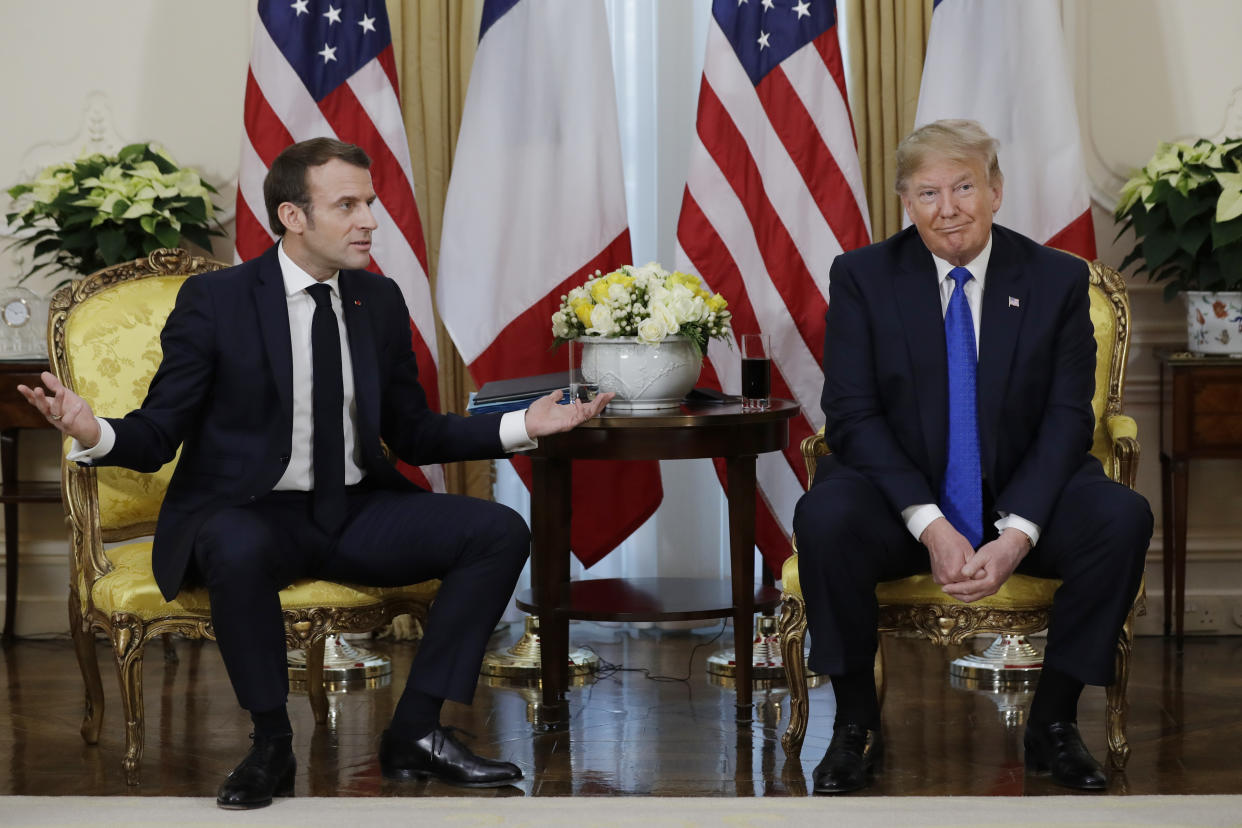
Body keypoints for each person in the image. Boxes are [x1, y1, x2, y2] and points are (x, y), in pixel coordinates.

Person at [18, 137, 612, 809]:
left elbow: (412, 432)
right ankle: (271, 744)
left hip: (354, 509)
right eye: (348, 205)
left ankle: (416, 732)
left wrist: (523, 427)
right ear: (292, 217)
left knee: (498, 530)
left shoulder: (377, 300)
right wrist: (91, 430)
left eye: (370, 203)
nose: (369, 221)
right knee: (233, 544)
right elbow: (159, 434)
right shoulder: (217, 303)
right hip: (251, 512)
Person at [792, 120, 1151, 794]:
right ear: (905, 201)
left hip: (1023, 489)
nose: (948, 208)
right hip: (901, 501)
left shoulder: (1055, 278)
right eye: (927, 193)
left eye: (963, 187)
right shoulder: (864, 276)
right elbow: (852, 416)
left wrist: (1018, 535)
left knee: (1121, 516)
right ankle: (855, 724)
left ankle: (1053, 724)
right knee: (825, 515)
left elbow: (1069, 418)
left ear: (996, 191)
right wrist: (929, 523)